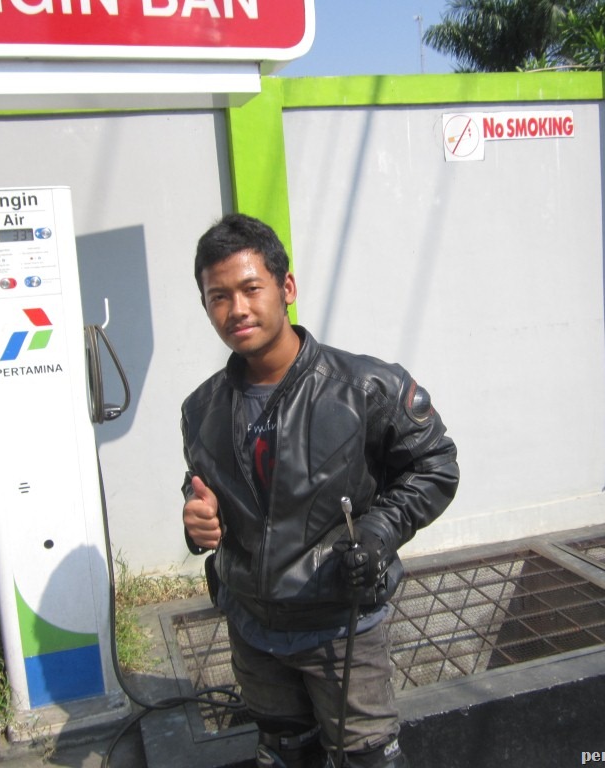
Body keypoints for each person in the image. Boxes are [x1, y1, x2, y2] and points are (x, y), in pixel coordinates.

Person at [181, 213, 459, 768]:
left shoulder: (365, 388)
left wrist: (378, 533)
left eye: (250, 289)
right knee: (284, 751)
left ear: (286, 288)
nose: (237, 309)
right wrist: (196, 516)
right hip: (252, 628)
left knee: (368, 758)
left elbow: (434, 466)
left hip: (340, 626)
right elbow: (203, 492)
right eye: (218, 297)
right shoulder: (201, 409)